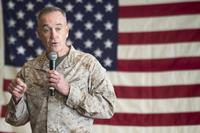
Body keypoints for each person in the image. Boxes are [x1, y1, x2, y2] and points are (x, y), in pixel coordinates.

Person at [5, 6, 116, 133]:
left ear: (67, 31)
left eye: (58, 28)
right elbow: (16, 120)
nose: (54, 35)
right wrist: (17, 99)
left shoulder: (88, 63)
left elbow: (108, 108)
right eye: (46, 30)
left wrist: (69, 91)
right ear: (39, 34)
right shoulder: (29, 69)